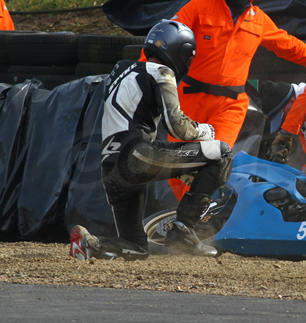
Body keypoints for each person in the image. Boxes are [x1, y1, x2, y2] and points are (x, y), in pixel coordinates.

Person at [138, 0, 306, 197]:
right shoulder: (197, 8)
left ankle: (197, 217)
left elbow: (287, 44)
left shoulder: (258, 20)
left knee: (214, 158)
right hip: (190, 99)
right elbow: (164, 38)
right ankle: (190, 217)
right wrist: (142, 73)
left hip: (230, 106)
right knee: (179, 161)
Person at [70, 20, 234, 261]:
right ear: (180, 51)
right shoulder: (161, 72)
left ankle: (90, 244)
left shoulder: (120, 70)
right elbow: (178, 126)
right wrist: (203, 131)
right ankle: (183, 230)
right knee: (221, 152)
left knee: (135, 247)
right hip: (138, 156)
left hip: (110, 168)